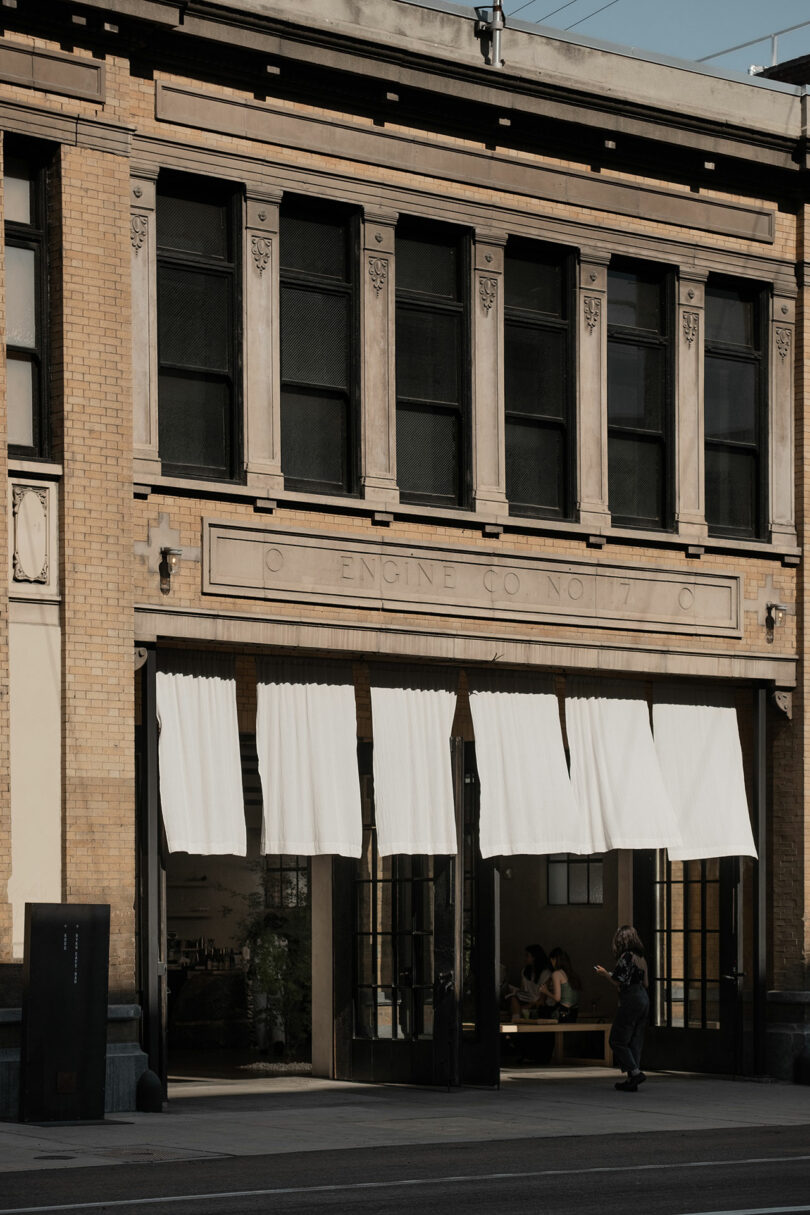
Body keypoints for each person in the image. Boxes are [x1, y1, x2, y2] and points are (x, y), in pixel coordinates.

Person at [595, 924, 649, 1092]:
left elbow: (617, 981)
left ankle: (635, 1072)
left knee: (617, 1039)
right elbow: (646, 983)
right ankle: (632, 1078)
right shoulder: (641, 958)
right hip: (643, 998)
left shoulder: (626, 956)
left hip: (631, 998)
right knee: (635, 1040)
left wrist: (604, 973)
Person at [505, 944, 552, 1022]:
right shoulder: (525, 971)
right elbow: (524, 990)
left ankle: (516, 1024)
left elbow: (542, 999)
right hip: (526, 999)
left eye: (527, 956)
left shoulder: (546, 973)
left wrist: (531, 1004)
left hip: (538, 1002)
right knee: (513, 998)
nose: (525, 958)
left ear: (534, 957)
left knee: (518, 1009)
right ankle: (516, 1023)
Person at [538, 947, 581, 1022]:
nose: (551, 963)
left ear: (555, 960)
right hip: (574, 1012)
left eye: (551, 960)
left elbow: (557, 998)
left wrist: (545, 991)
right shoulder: (572, 974)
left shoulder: (557, 973)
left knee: (541, 1012)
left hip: (563, 1012)